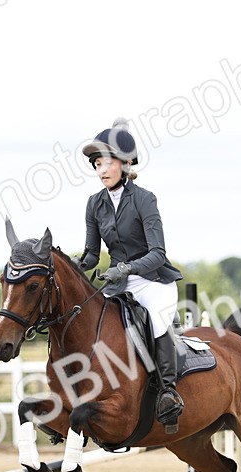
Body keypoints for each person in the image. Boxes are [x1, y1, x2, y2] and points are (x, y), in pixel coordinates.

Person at [78, 118, 185, 431]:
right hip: (117, 285)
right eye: (97, 164)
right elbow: (91, 255)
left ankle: (168, 392)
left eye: (107, 163)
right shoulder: (94, 204)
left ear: (125, 164)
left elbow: (158, 253)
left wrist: (127, 268)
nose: (101, 170)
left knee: (157, 319)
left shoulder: (144, 199)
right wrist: (70, 266)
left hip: (153, 281)